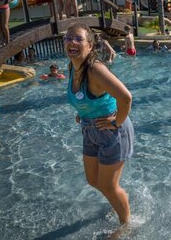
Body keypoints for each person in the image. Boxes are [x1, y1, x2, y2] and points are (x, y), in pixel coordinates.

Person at [64, 23, 134, 226]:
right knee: (93, 180)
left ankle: (126, 225)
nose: (72, 42)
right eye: (68, 38)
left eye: (78, 39)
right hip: (90, 128)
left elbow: (126, 97)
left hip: (112, 132)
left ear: (90, 45)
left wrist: (116, 122)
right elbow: (86, 97)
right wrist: (83, 112)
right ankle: (120, 198)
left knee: (108, 186)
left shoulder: (94, 69)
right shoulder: (72, 66)